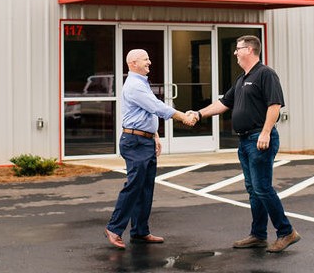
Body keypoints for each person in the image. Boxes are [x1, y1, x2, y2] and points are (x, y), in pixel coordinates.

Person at [190, 35, 301, 253]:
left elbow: (275, 105)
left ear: (249, 50)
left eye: (238, 49)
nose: (235, 52)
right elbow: (223, 103)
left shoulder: (265, 74)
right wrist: (198, 114)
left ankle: (286, 232)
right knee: (253, 189)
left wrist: (266, 132)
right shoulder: (242, 79)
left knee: (262, 187)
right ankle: (258, 235)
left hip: (259, 138)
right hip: (245, 140)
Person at [104, 49, 197, 249]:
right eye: (145, 59)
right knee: (134, 186)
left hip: (144, 140)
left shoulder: (141, 83)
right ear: (133, 63)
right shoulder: (134, 86)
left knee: (145, 188)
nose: (150, 62)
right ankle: (114, 228)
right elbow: (157, 107)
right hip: (134, 142)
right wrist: (183, 117)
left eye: (148, 58)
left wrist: (154, 136)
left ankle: (140, 231)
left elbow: (147, 111)